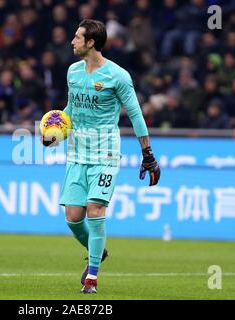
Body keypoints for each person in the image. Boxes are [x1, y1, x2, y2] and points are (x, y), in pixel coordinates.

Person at [42, 19, 160, 294]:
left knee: (95, 210)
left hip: (106, 152)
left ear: (91, 42)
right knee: (73, 217)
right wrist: (54, 131)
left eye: (77, 37)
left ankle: (92, 277)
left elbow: (135, 115)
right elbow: (71, 108)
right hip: (77, 153)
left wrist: (148, 154)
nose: (72, 41)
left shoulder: (117, 76)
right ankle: (98, 251)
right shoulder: (73, 72)